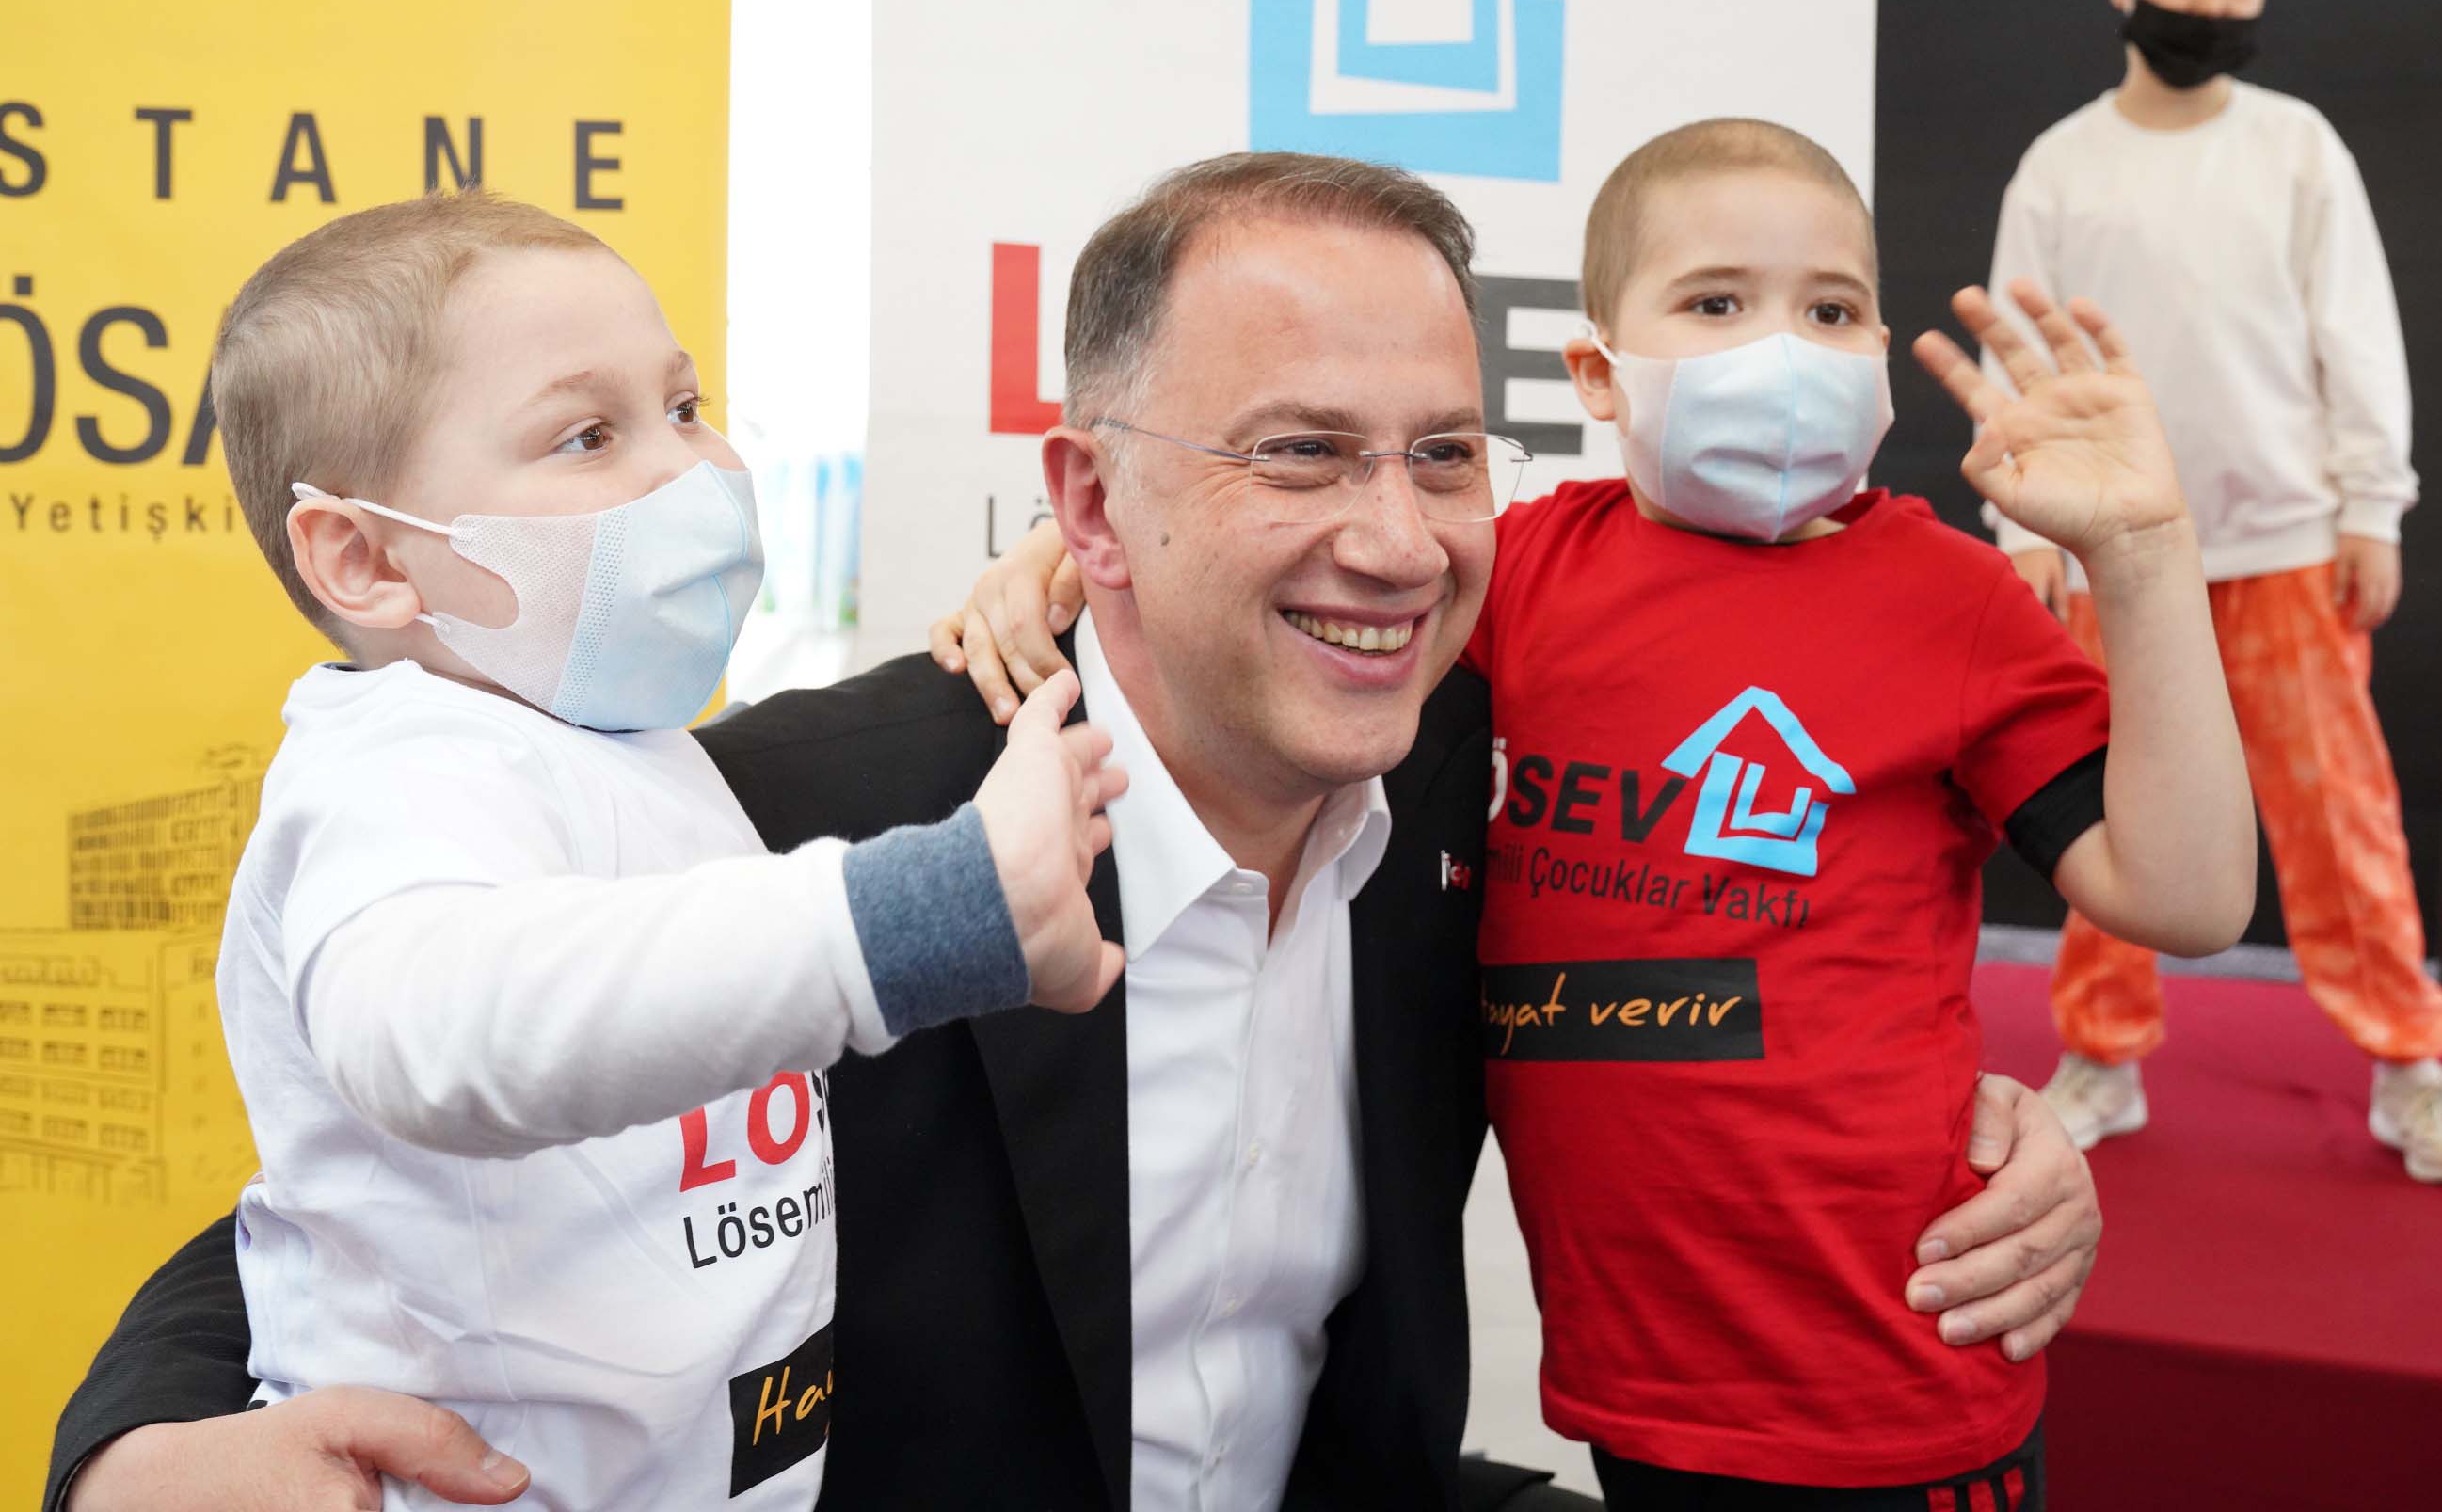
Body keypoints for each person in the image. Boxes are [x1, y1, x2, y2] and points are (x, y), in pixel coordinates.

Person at [52, 153, 2103, 1512]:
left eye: (1444, 455)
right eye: (1299, 454)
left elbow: (1734, 991)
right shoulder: (826, 817)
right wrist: (133, 1452)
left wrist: (1998, 1150)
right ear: (1093, 508)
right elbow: (393, 1166)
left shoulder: (1481, 789)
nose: (1399, 541)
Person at [938, 122, 2247, 1508]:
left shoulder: (1957, 604)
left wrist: (2145, 556)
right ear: (1596, 373)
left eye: (1831, 311)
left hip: (1897, 1376)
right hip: (1639, 1397)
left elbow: (2186, 895)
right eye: (1717, 303)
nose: (1781, 348)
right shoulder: (1526, 570)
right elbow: (1289, 570)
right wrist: (1062, 552)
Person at [137, 190, 1125, 1511]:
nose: (690, 473)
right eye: (587, 435)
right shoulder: (403, 761)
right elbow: (439, 1027)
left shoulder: (625, 743)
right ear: (365, 559)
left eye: (685, 405)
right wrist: (934, 909)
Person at [1985, 0, 2442, 1184]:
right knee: (2110, 807)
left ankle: (2410, 1065)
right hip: (2112, 558)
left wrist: (2373, 507)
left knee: (2341, 818)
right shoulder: (2062, 165)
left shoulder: (2296, 147)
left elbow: (2358, 336)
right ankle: (2101, 1053)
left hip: (2286, 548)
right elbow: (2020, 354)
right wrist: (2025, 528)